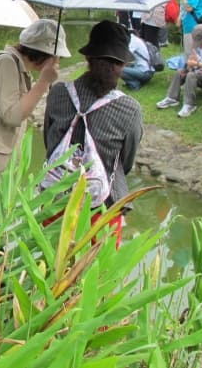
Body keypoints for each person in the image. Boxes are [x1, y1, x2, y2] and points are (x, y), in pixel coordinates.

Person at [44, 20, 143, 247]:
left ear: (88, 58)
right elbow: (125, 162)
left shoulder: (58, 93)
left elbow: (50, 144)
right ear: (122, 65)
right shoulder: (130, 109)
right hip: (103, 210)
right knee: (97, 278)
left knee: (53, 273)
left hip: (57, 203)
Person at [0, 19, 67, 201]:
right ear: (43, 53)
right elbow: (12, 115)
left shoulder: (18, 67)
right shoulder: (6, 63)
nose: (58, 61)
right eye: (57, 57)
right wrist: (43, 82)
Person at [157, 25, 202, 117]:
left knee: (191, 75)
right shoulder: (198, 48)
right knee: (180, 72)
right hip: (200, 74)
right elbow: (192, 63)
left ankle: (190, 105)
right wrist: (188, 67)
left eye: (200, 42)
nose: (199, 45)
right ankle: (172, 98)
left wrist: (197, 64)